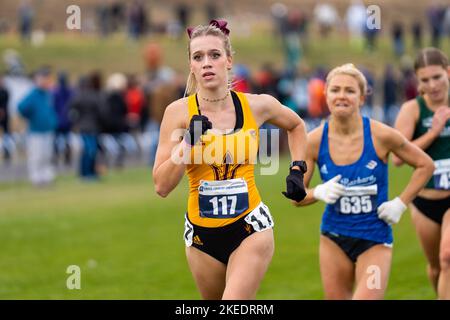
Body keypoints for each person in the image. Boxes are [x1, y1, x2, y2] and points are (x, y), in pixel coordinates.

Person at [152, 20, 308, 300]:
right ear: (191, 65)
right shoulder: (177, 113)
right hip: (201, 236)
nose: (206, 63)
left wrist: (298, 170)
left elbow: (296, 126)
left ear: (228, 60)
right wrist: (187, 143)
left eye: (214, 55)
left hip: (250, 227)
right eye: (198, 57)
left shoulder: (257, 105)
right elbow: (162, 186)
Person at [293, 63, 434, 299]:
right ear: (326, 95)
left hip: (375, 238)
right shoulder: (314, 141)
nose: (342, 96)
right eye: (335, 90)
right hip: (333, 237)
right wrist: (317, 192)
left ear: (361, 98)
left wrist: (400, 203)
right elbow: (297, 197)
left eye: (350, 91)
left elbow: (425, 165)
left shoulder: (382, 135)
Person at [393, 47, 450, 299]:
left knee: (448, 256)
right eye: (425, 80)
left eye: (437, 77)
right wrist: (433, 132)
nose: (433, 85)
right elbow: (396, 157)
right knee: (436, 268)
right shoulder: (412, 109)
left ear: (448, 73)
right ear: (418, 82)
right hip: (425, 200)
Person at [18, 66, 58, 186]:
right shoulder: (33, 94)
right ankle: (36, 178)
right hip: (36, 130)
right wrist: (31, 116)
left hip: (47, 129)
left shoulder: (47, 94)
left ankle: (46, 176)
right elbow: (21, 107)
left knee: (47, 155)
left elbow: (50, 110)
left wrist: (52, 120)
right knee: (37, 155)